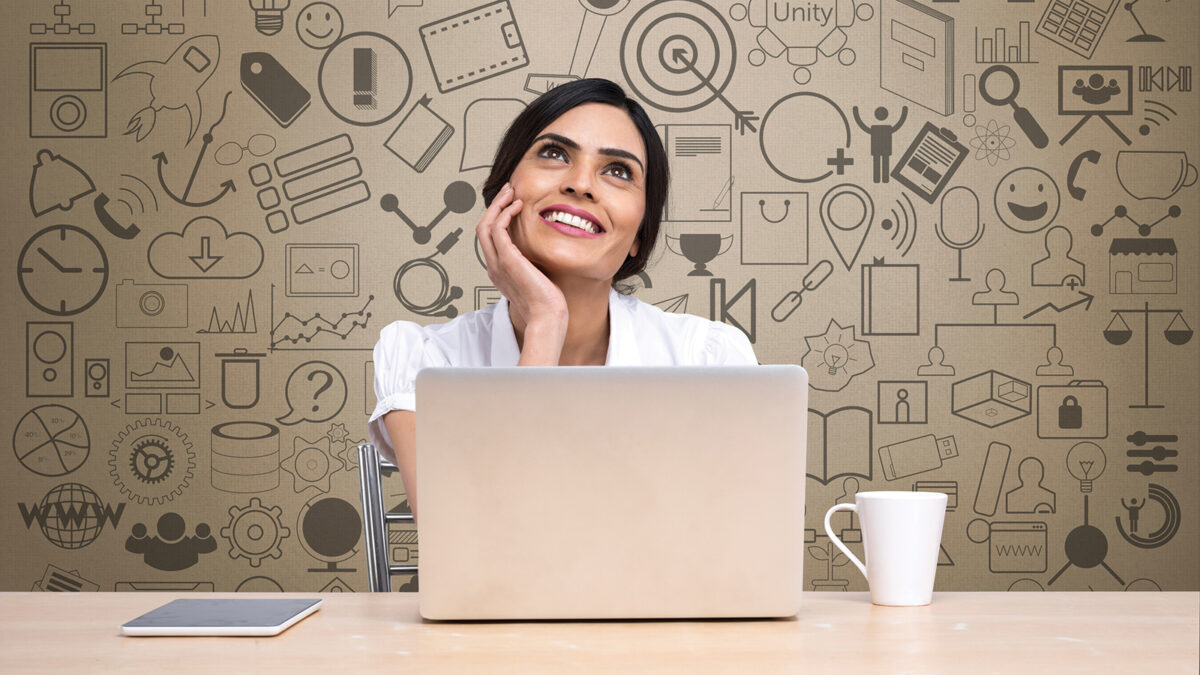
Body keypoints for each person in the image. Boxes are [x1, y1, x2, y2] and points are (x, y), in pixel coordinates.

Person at [368, 78, 758, 521]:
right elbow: (464, 541)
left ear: (638, 237)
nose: (581, 183)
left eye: (618, 170)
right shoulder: (425, 361)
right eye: (554, 153)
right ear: (503, 192)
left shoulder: (709, 360)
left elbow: (733, 551)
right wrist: (545, 326)